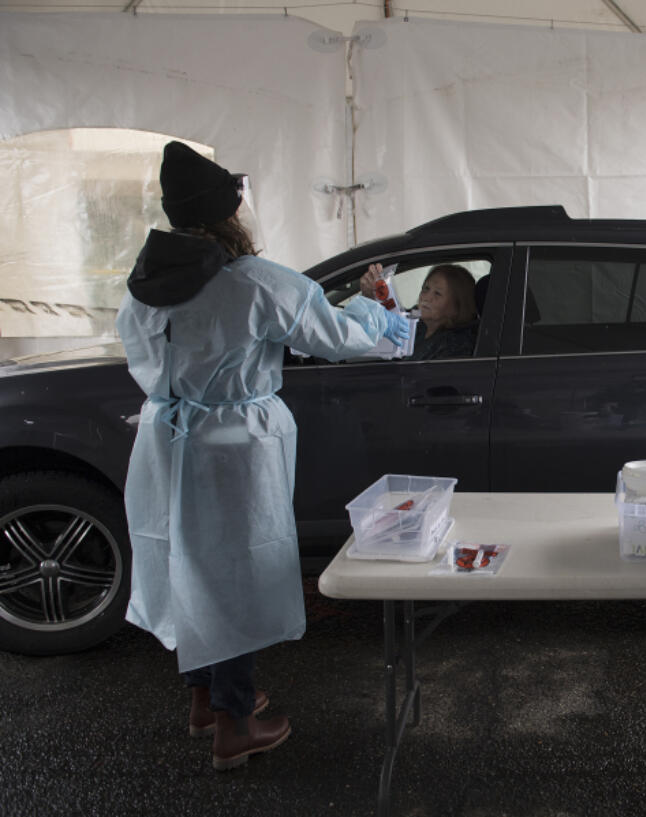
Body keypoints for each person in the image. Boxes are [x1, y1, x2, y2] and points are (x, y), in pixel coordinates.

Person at [117, 141, 412, 771]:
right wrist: (379, 308)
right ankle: (235, 721)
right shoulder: (253, 282)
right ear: (231, 213)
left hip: (166, 437)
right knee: (233, 575)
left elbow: (145, 358)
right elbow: (339, 338)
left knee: (187, 563)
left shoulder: (144, 283)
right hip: (232, 446)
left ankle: (205, 698)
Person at [361, 262, 478, 360]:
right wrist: (372, 296)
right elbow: (390, 321)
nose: (426, 297)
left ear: (457, 308)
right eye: (426, 289)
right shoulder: (419, 325)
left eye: (437, 293)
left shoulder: (456, 346)